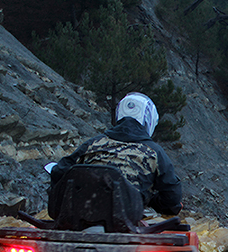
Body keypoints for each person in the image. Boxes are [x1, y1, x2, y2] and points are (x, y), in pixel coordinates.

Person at [51, 92, 182, 216]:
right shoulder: (154, 152)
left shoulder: (92, 144)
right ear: (149, 120)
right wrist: (149, 199)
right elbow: (172, 197)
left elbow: (59, 171)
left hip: (82, 214)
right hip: (125, 218)